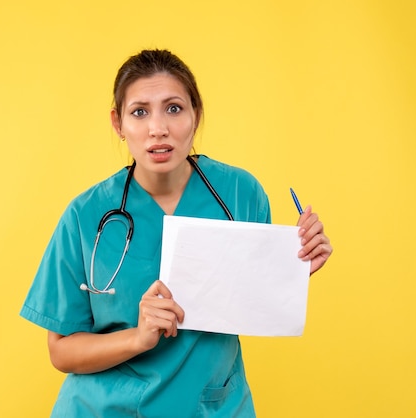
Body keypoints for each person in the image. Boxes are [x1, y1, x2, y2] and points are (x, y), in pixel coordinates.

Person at [20, 49, 333, 417]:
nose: (158, 128)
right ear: (118, 124)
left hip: (208, 406)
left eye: (173, 108)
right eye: (139, 112)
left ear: (195, 115)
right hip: (106, 409)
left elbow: (250, 299)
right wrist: (138, 338)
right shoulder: (85, 215)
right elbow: (61, 350)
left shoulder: (239, 194)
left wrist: (294, 267)